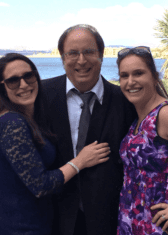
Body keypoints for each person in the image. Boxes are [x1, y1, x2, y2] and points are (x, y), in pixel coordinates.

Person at [0, 52, 111, 235]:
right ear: (3, 88)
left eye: (29, 76)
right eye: (13, 81)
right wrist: (80, 161)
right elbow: (40, 185)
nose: (24, 85)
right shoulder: (13, 123)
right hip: (22, 227)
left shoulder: (31, 118)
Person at [41, 24, 137, 235]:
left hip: (111, 219)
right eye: (73, 53)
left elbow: (155, 149)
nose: (81, 60)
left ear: (101, 56)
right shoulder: (41, 95)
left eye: (89, 52)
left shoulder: (126, 100)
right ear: (62, 58)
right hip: (53, 218)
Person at [116, 46, 168, 234]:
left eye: (138, 73)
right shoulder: (138, 119)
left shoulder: (164, 114)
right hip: (132, 220)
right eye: (124, 75)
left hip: (157, 225)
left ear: (155, 77)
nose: (131, 82)